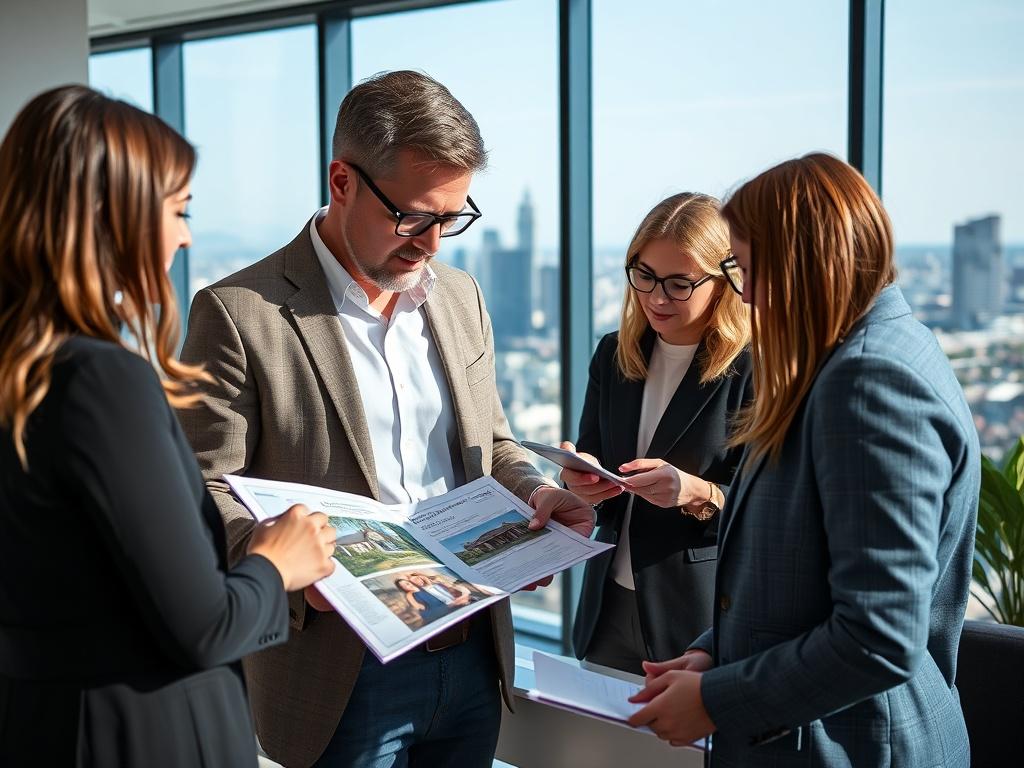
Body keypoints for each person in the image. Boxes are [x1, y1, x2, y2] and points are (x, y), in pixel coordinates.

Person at [178, 70, 593, 768]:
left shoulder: (459, 296)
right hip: (338, 669)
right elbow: (202, 490)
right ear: (342, 181)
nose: (432, 243)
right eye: (414, 217)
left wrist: (537, 495)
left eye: (452, 218)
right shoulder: (239, 312)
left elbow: (491, 443)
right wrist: (291, 562)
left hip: (471, 654)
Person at [0, 86, 337, 767]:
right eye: (178, 211)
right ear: (109, 214)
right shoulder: (98, 381)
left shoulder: (21, 369)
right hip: (139, 734)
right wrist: (278, 562)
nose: (185, 237)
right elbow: (207, 625)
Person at [628, 153, 979, 767]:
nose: (747, 293)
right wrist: (718, 650)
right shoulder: (869, 353)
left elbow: (879, 636)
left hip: (851, 745)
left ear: (801, 264)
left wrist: (718, 698)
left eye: (746, 267)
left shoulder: (870, 381)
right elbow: (803, 577)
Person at [562, 193, 752, 675]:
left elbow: (767, 513)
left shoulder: (755, 370)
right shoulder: (614, 354)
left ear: (723, 283)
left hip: (698, 621)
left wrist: (693, 492)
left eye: (679, 284)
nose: (657, 298)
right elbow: (600, 475)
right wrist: (580, 483)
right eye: (644, 276)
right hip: (607, 607)